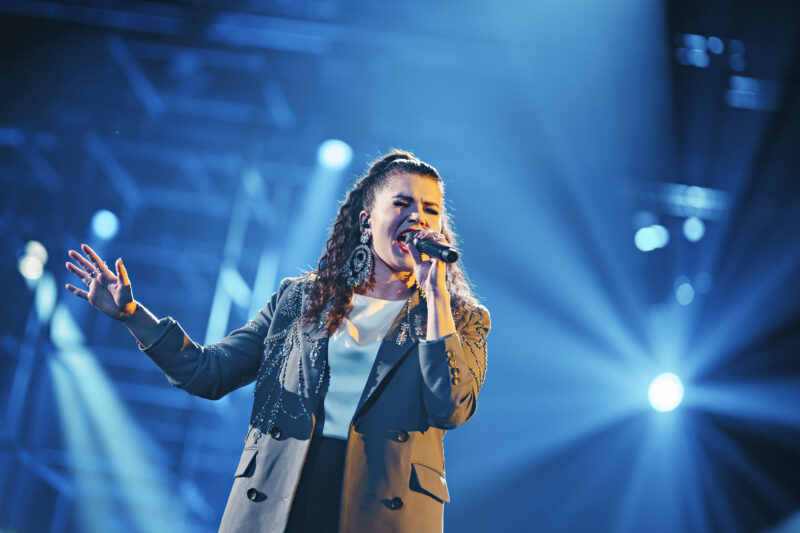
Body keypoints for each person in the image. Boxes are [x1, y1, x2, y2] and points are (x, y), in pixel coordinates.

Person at [65, 150, 490, 533]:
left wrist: (435, 296)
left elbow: (450, 406)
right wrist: (132, 315)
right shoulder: (301, 299)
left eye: (430, 210)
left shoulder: (461, 318)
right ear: (367, 220)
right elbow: (207, 372)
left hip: (381, 510)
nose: (418, 218)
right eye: (402, 203)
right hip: (282, 497)